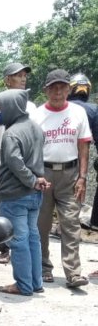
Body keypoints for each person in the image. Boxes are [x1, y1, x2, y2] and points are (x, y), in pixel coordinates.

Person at [32, 69, 91, 288]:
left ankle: (73, 273)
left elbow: (83, 146)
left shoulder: (77, 113)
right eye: (53, 88)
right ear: (46, 90)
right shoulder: (37, 115)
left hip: (70, 175)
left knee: (71, 223)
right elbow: (32, 148)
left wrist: (82, 178)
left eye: (62, 87)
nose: (58, 92)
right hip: (44, 174)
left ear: (69, 89)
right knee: (41, 225)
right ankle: (44, 268)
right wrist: (35, 176)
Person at [0, 89, 50, 296]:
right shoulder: (36, 128)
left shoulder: (11, 134)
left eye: (0, 107)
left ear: (11, 107)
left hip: (15, 195)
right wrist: (36, 181)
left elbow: (15, 162)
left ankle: (23, 285)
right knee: (32, 238)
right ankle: (36, 283)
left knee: (18, 241)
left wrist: (32, 181)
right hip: (34, 196)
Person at [0, 61, 36, 265]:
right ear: (7, 80)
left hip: (23, 168)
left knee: (21, 211)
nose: (22, 78)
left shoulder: (31, 107)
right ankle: (4, 248)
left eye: (24, 75)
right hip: (1, 169)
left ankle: (22, 250)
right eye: (17, 75)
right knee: (2, 210)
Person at [67, 73, 98, 231]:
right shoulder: (94, 110)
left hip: (57, 160)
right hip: (80, 160)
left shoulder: (60, 106)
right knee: (76, 193)